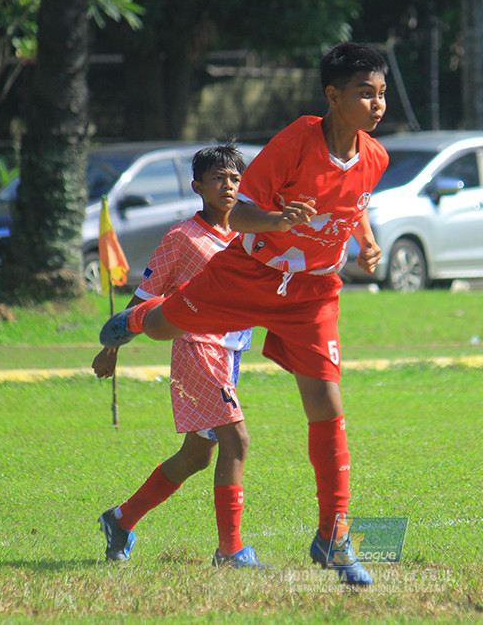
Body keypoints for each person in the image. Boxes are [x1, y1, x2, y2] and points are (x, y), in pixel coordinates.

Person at [97, 42, 388, 586]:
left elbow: (356, 207)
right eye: (364, 94)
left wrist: (367, 242)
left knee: (327, 401)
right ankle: (135, 320)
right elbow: (244, 212)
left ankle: (333, 534)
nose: (376, 104)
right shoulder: (298, 140)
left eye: (381, 94)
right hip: (247, 275)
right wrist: (279, 220)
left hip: (312, 292)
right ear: (333, 97)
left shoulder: (375, 156)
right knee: (163, 327)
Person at [93, 143, 266, 569]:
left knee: (196, 456)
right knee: (236, 440)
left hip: (229, 352)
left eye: (234, 178)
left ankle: (121, 519)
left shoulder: (247, 235)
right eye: (217, 179)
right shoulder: (182, 238)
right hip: (195, 349)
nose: (228, 186)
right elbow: (143, 299)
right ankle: (230, 552)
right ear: (197, 187)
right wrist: (110, 348)